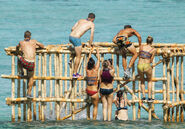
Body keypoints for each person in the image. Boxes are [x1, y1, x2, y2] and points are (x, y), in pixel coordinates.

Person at [16, 31, 44, 98]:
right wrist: (36, 46)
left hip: (25, 62)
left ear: (24, 36)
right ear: (30, 36)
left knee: (18, 57)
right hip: (31, 64)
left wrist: (18, 48)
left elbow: (17, 47)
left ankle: (21, 72)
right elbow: (42, 46)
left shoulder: (21, 42)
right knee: (31, 78)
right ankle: (29, 93)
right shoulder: (34, 41)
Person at [69, 13, 95, 78]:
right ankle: (75, 74)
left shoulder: (80, 20)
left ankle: (71, 59)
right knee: (79, 56)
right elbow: (91, 35)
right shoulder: (92, 24)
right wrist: (90, 44)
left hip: (70, 37)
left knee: (77, 49)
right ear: (93, 19)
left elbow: (72, 29)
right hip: (76, 38)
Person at [137, 36, 156, 102]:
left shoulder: (141, 47)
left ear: (146, 41)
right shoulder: (153, 50)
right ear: (152, 42)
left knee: (142, 81)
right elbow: (151, 60)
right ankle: (150, 97)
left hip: (139, 65)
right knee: (149, 81)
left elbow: (139, 54)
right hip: (147, 65)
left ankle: (143, 97)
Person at [86, 48, 100, 120]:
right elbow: (99, 60)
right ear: (94, 65)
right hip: (94, 92)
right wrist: (97, 52)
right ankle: (94, 120)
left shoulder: (87, 70)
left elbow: (88, 60)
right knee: (95, 107)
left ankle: (88, 117)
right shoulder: (95, 70)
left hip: (88, 91)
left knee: (88, 104)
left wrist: (90, 53)